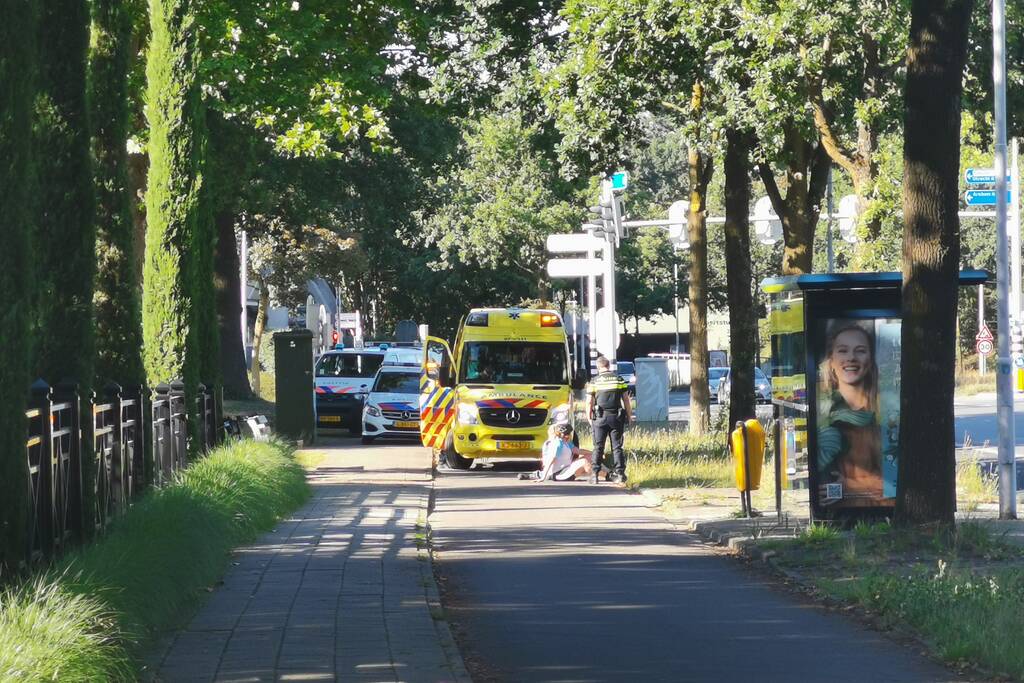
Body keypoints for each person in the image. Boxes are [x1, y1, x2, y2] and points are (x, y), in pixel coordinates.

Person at [817, 321, 886, 506]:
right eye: (843, 350)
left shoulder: (885, 412)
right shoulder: (822, 414)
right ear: (831, 361)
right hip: (835, 516)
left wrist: (849, 486)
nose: (851, 357)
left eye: (860, 350)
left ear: (870, 361)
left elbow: (897, 482)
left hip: (879, 518)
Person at [586, 356, 632, 484]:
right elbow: (626, 400)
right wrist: (629, 415)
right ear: (609, 366)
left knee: (598, 447)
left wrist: (589, 416)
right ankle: (620, 473)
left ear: (598, 367)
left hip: (599, 418)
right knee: (617, 447)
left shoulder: (594, 381)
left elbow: (589, 401)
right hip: (616, 417)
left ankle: (594, 475)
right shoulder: (619, 379)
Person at [517, 423, 597, 481]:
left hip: (564, 469)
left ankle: (536, 474)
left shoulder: (566, 443)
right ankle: (604, 474)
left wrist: (595, 453)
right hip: (559, 473)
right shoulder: (558, 444)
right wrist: (543, 477)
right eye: (568, 433)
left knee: (588, 457)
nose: (569, 435)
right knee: (584, 461)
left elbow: (578, 451)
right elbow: (551, 459)